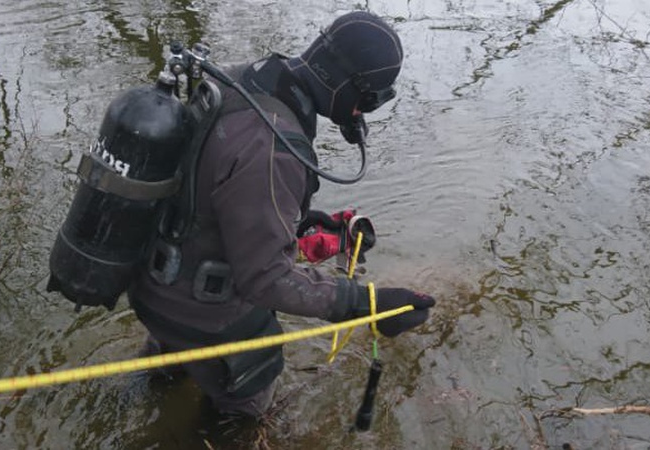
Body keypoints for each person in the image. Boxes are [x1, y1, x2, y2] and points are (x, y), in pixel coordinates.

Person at [127, 10, 437, 418]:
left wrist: (305, 222)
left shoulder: (247, 78)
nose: (363, 113)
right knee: (250, 407)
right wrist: (369, 303)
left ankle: (142, 397)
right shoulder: (273, 146)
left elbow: (216, 194)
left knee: (164, 377)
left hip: (153, 286)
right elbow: (267, 280)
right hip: (202, 315)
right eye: (369, 100)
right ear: (349, 85)